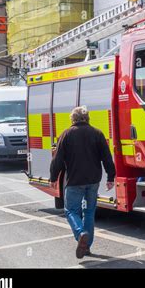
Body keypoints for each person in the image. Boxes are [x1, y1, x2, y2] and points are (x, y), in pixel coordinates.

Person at [50, 106, 115, 259]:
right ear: (87, 118)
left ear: (73, 119)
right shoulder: (97, 133)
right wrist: (110, 177)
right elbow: (107, 157)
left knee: (71, 211)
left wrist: (53, 178)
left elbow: (57, 160)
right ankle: (86, 247)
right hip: (93, 181)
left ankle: (80, 234)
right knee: (89, 212)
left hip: (74, 181)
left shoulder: (66, 135)